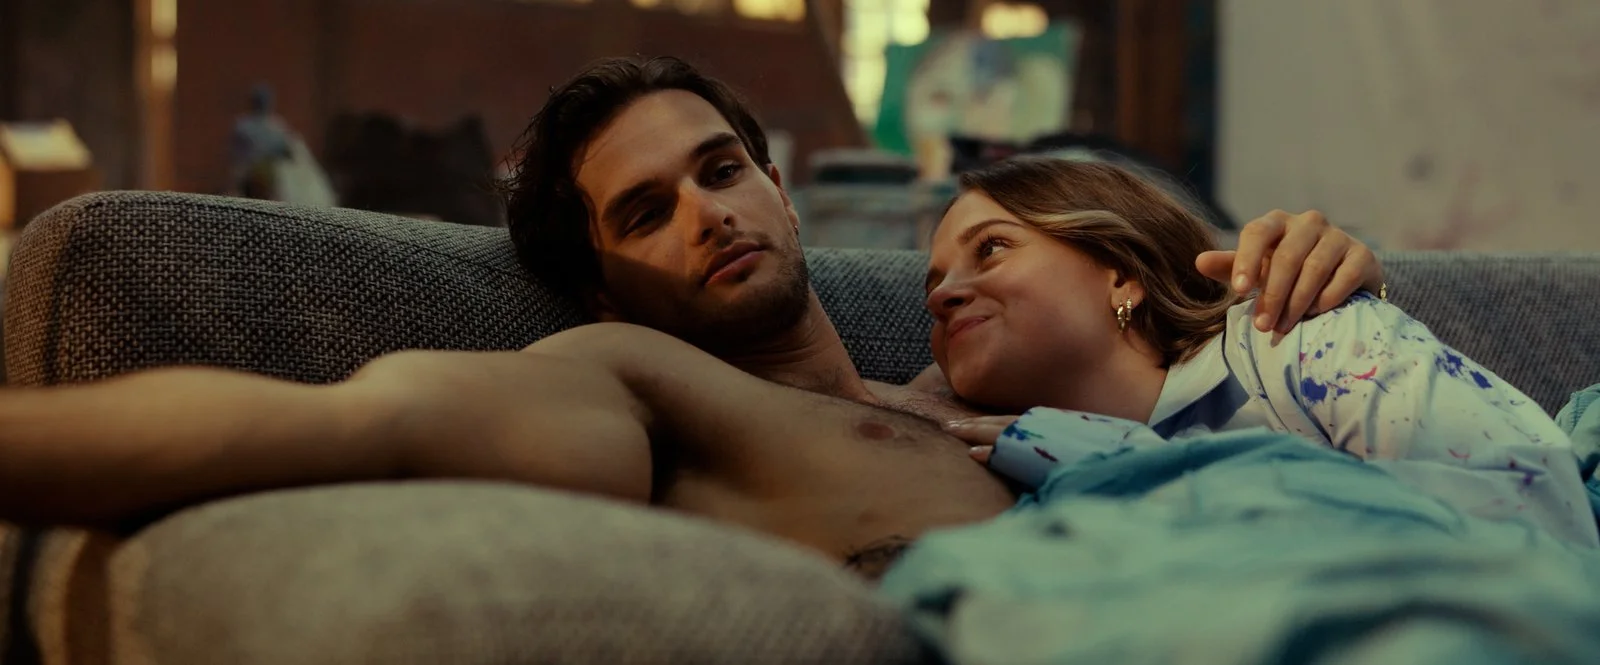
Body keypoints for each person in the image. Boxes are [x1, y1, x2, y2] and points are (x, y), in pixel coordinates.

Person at [0, 57, 1381, 580]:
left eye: (721, 171)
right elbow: (358, 423)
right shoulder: (643, 382)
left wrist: (1324, 279)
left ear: (780, 189)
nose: (708, 213)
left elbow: (1270, 407)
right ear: (607, 286)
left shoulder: (979, 377)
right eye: (647, 209)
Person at [926, 156, 1598, 547]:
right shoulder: (1013, 460)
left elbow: (1541, 525)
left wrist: (1152, 473)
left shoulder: (1293, 338)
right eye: (932, 285)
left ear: (1122, 272)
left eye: (992, 248)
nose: (944, 294)